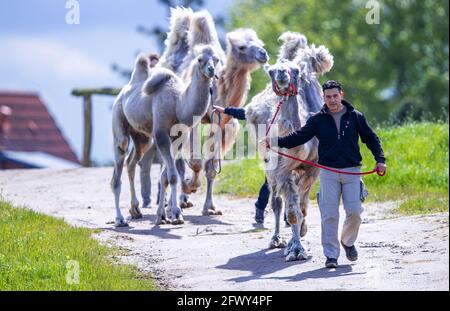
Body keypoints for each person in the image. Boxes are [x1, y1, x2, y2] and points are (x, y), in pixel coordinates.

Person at [264, 80, 386, 268]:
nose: (332, 100)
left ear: (341, 95)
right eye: (328, 97)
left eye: (335, 96)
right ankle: (331, 255)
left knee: (355, 212)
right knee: (329, 215)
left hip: (352, 172)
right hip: (328, 173)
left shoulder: (356, 117)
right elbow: (299, 137)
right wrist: (275, 141)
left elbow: (371, 138)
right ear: (324, 98)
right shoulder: (317, 119)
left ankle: (347, 241)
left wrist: (380, 159)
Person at [213, 105, 271, 224]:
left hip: (291, 148)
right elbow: (249, 113)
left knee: (292, 183)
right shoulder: (270, 105)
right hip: (274, 149)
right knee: (270, 181)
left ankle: (289, 216)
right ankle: (260, 208)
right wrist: (226, 111)